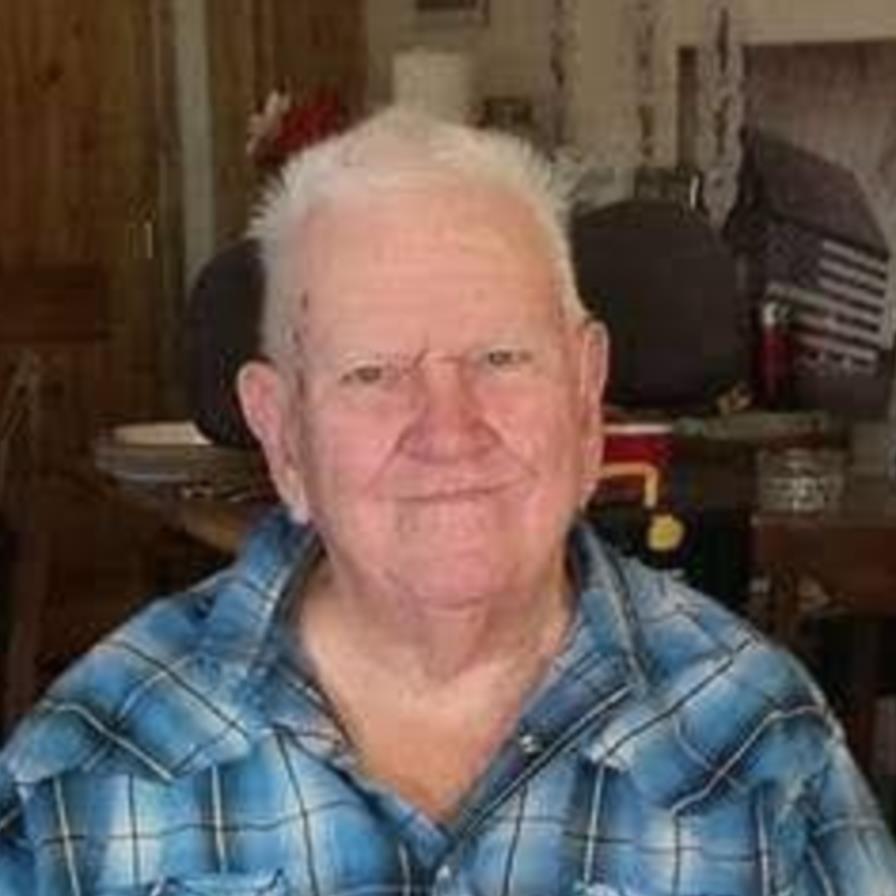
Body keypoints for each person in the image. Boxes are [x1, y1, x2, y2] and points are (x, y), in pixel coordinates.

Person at [1, 109, 894, 896]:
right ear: (283, 435)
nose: (449, 430)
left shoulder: (758, 743)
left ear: (586, 396)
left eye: (501, 357)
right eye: (371, 372)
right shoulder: (89, 769)